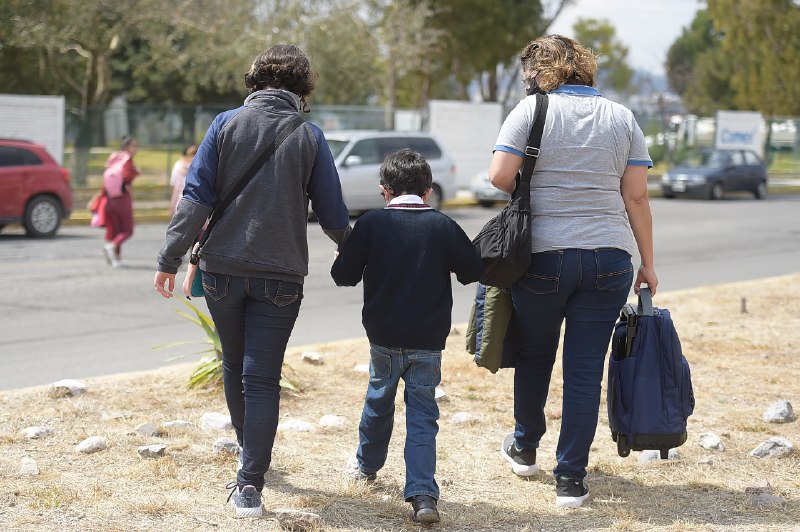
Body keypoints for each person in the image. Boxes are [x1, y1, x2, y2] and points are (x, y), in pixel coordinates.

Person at [152, 44, 351, 518]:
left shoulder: (225, 124)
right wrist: (360, 252)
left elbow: (195, 199)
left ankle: (249, 455)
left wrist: (169, 257)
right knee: (261, 378)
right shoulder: (310, 134)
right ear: (302, 88)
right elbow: (333, 213)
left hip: (222, 270)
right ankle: (250, 484)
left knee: (233, 366)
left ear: (256, 80)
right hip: (281, 276)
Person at [488, 35, 659, 509]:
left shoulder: (532, 112)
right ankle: (570, 480)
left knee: (535, 352)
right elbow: (637, 196)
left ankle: (525, 448)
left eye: (528, 73)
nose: (526, 81)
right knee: (584, 370)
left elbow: (500, 177)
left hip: (543, 256)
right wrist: (647, 262)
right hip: (609, 259)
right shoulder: (622, 117)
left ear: (541, 71)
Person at [331, 149, 484, 525]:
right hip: (428, 341)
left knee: (378, 400)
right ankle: (423, 495)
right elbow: (472, 270)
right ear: (428, 191)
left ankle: (366, 467)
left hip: (383, 336)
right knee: (422, 414)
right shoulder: (443, 226)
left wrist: (345, 251)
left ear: (385, 191)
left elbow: (343, 276)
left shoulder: (370, 225)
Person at [102, 135, 139, 268]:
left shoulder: (114, 157)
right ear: (127, 147)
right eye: (134, 146)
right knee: (128, 230)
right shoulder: (127, 160)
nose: (136, 149)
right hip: (123, 197)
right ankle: (111, 247)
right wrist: (136, 172)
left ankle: (116, 259)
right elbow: (127, 177)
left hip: (110, 198)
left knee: (116, 230)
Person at [168, 143, 198, 215]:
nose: (194, 156)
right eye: (192, 153)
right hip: (182, 204)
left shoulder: (200, 167)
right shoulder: (179, 166)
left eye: (196, 152)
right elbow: (174, 186)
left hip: (197, 205)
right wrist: (173, 203)